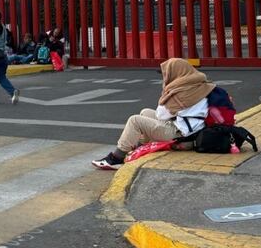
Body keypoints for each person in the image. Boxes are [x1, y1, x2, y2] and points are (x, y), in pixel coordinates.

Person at [92, 58, 227, 170]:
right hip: (195, 133)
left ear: (175, 74)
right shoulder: (201, 85)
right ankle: (141, 148)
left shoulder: (180, 92)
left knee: (135, 120)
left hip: (182, 137)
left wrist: (166, 93)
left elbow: (161, 115)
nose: (165, 77)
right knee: (145, 112)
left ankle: (116, 159)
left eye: (166, 74)